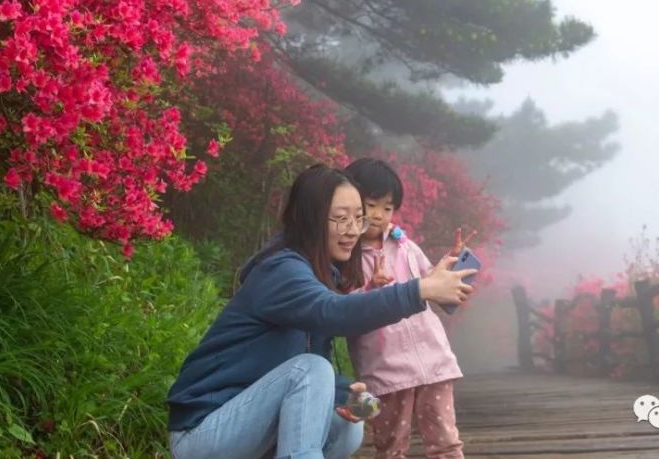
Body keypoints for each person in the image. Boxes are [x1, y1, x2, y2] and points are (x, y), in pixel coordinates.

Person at [166, 164, 478, 459]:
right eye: (341, 218)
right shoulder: (281, 270)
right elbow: (333, 313)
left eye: (359, 218)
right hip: (203, 431)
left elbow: (291, 370)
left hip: (246, 422)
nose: (353, 230)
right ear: (310, 219)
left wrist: (349, 394)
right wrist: (419, 289)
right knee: (310, 369)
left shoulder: (322, 275)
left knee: (347, 427)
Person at [345, 157, 474, 459]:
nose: (379, 215)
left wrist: (452, 262)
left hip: (433, 360)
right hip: (386, 370)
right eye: (371, 204)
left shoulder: (405, 246)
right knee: (391, 447)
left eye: (387, 208)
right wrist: (371, 289)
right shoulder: (346, 256)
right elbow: (342, 309)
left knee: (446, 443)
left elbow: (432, 285)